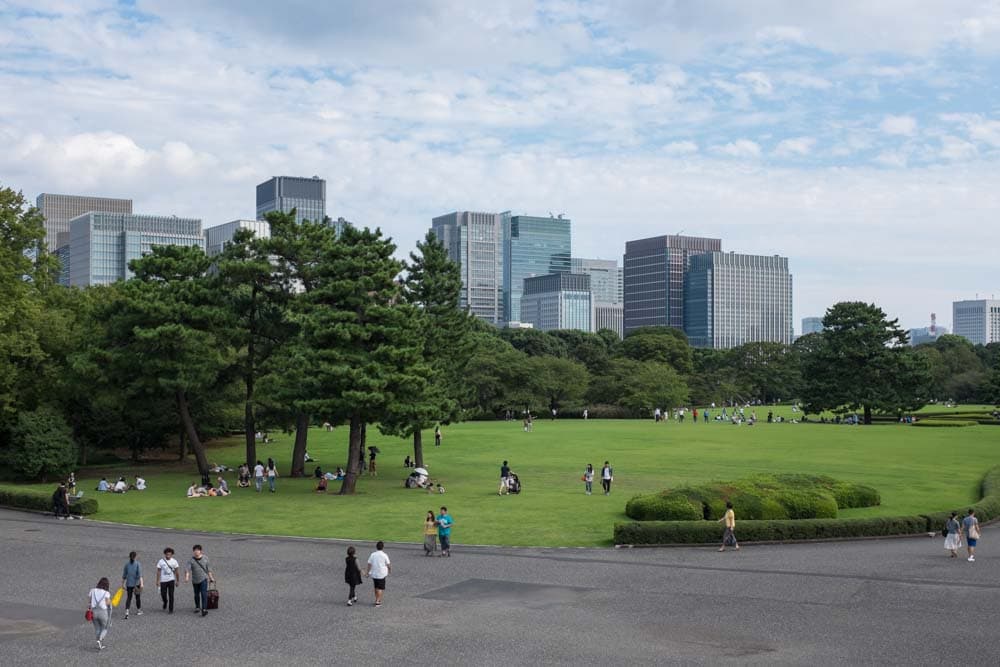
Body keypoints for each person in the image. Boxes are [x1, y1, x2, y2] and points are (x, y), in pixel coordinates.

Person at [183, 544, 214, 616]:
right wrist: (187, 577)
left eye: (197, 550)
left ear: (201, 551)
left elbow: (208, 569)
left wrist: (211, 577)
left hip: (203, 579)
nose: (196, 552)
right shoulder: (191, 560)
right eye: (195, 551)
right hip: (195, 580)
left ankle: (204, 609)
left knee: (204, 594)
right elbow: (187, 569)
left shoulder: (206, 558)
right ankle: (197, 607)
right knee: (196, 594)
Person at [88, 577, 113, 651]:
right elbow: (108, 603)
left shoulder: (92, 590)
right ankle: (100, 639)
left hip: (94, 612)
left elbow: (89, 602)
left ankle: (99, 644)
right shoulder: (106, 593)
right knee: (105, 627)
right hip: (103, 612)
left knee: (97, 628)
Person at [364, 541, 391, 607]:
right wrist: (390, 570)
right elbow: (388, 565)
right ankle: (378, 601)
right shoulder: (384, 555)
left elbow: (369, 564)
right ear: (383, 547)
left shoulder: (373, 554)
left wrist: (367, 572)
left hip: (374, 573)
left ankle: (377, 599)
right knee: (380, 588)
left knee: (376, 587)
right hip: (381, 574)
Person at [155, 547, 179, 613]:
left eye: (169, 554)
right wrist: (157, 580)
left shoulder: (174, 561)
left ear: (172, 554)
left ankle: (171, 609)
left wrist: (177, 581)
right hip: (163, 581)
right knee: (163, 594)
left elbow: (177, 572)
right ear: (165, 554)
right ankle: (165, 601)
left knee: (171, 595)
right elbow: (158, 571)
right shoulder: (161, 561)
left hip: (171, 580)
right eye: (167, 554)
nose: (168, 555)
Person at [121, 551, 143, 619]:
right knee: (137, 597)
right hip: (136, 584)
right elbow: (139, 575)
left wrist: (122, 584)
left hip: (129, 584)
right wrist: (142, 583)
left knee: (129, 598)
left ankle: (127, 611)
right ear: (136, 556)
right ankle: (139, 610)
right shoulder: (138, 564)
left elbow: (124, 575)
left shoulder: (126, 564)